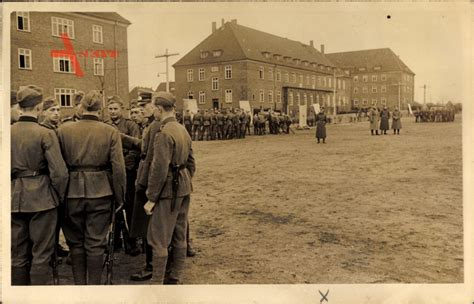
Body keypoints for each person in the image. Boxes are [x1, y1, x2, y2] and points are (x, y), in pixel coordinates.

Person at [57, 90, 126, 285]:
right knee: (96, 243)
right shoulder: (110, 131)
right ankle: (94, 287)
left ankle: (80, 286)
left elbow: (57, 166)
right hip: (101, 192)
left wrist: (60, 193)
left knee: (75, 243)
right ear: (100, 109)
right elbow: (119, 168)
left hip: (71, 192)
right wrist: (119, 197)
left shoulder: (63, 130)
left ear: (81, 107)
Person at [11, 85, 69, 285]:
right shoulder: (45, 133)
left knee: (18, 253)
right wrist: (59, 196)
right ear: (38, 108)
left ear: (20, 107)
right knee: (42, 253)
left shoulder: (7, 132)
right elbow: (59, 173)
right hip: (42, 199)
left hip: (13, 198)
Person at [144, 91, 196, 285]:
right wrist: (184, 179)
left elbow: (158, 170)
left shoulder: (163, 133)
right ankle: (176, 276)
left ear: (159, 110)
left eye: (154, 110)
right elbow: (192, 163)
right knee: (180, 233)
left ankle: (157, 281)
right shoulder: (183, 129)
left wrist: (151, 197)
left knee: (158, 238)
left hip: (167, 190)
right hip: (183, 186)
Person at [107, 95, 141, 255]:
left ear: (122, 109)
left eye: (116, 109)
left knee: (129, 206)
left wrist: (124, 166)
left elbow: (136, 149)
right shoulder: (104, 126)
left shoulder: (130, 125)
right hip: (111, 173)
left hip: (128, 173)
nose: (113, 112)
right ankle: (118, 240)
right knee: (115, 208)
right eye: (110, 109)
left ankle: (132, 240)